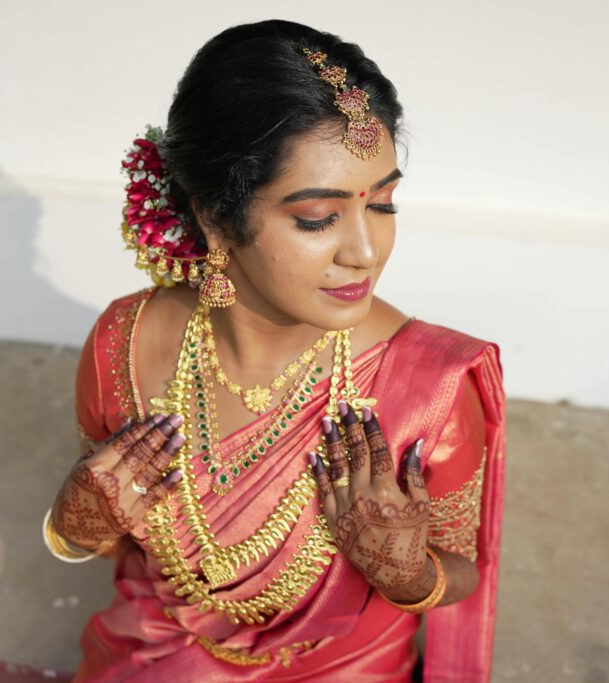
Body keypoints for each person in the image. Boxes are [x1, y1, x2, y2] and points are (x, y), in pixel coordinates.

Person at [42, 19, 506, 682]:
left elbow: (462, 564)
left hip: (346, 666)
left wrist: (409, 574)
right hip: (159, 650)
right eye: (318, 217)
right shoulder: (127, 345)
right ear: (214, 215)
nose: (365, 252)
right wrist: (72, 527)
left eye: (383, 204)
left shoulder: (427, 389)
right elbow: (114, 513)